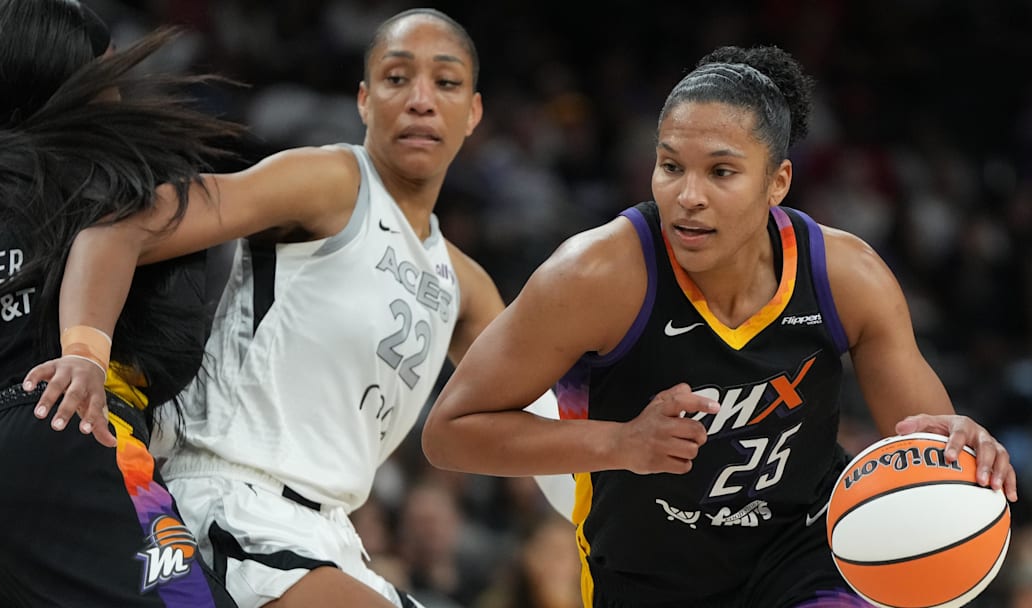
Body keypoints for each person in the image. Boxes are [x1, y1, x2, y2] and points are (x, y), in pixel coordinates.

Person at [421, 44, 1019, 608]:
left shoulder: (846, 276)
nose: (688, 196)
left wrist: (961, 452)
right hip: (645, 571)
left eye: (721, 172)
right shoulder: (594, 276)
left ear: (777, 182)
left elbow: (924, 444)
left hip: (804, 552)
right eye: (670, 166)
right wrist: (621, 443)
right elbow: (450, 433)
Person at [24, 8, 571, 608]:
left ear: (473, 113)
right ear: (364, 100)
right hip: (230, 503)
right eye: (396, 78)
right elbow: (124, 226)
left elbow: (548, 427)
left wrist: (621, 488)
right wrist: (84, 352)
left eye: (446, 82)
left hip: (333, 537)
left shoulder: (463, 284)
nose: (421, 100)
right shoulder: (331, 182)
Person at [0, 0, 242, 606]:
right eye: (106, 71)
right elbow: (171, 340)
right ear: (67, 80)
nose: (119, 89)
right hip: (70, 427)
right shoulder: (112, 165)